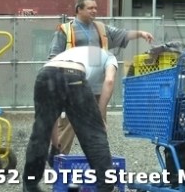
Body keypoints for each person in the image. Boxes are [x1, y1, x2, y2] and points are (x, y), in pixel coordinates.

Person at [48, 0, 154, 157]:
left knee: (97, 130)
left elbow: (122, 34)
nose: (94, 11)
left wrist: (140, 33)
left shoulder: (101, 28)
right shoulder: (65, 30)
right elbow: (54, 57)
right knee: (67, 128)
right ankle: (57, 161)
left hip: (97, 90)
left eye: (95, 8)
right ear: (79, 9)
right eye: (90, 8)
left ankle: (99, 164)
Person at [23, 46, 117, 192]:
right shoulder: (109, 56)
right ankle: (106, 185)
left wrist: (56, 146)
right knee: (94, 135)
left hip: (46, 74)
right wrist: (99, 117)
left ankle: (30, 186)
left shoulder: (74, 52)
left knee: (40, 132)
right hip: (74, 75)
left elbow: (52, 119)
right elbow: (109, 81)